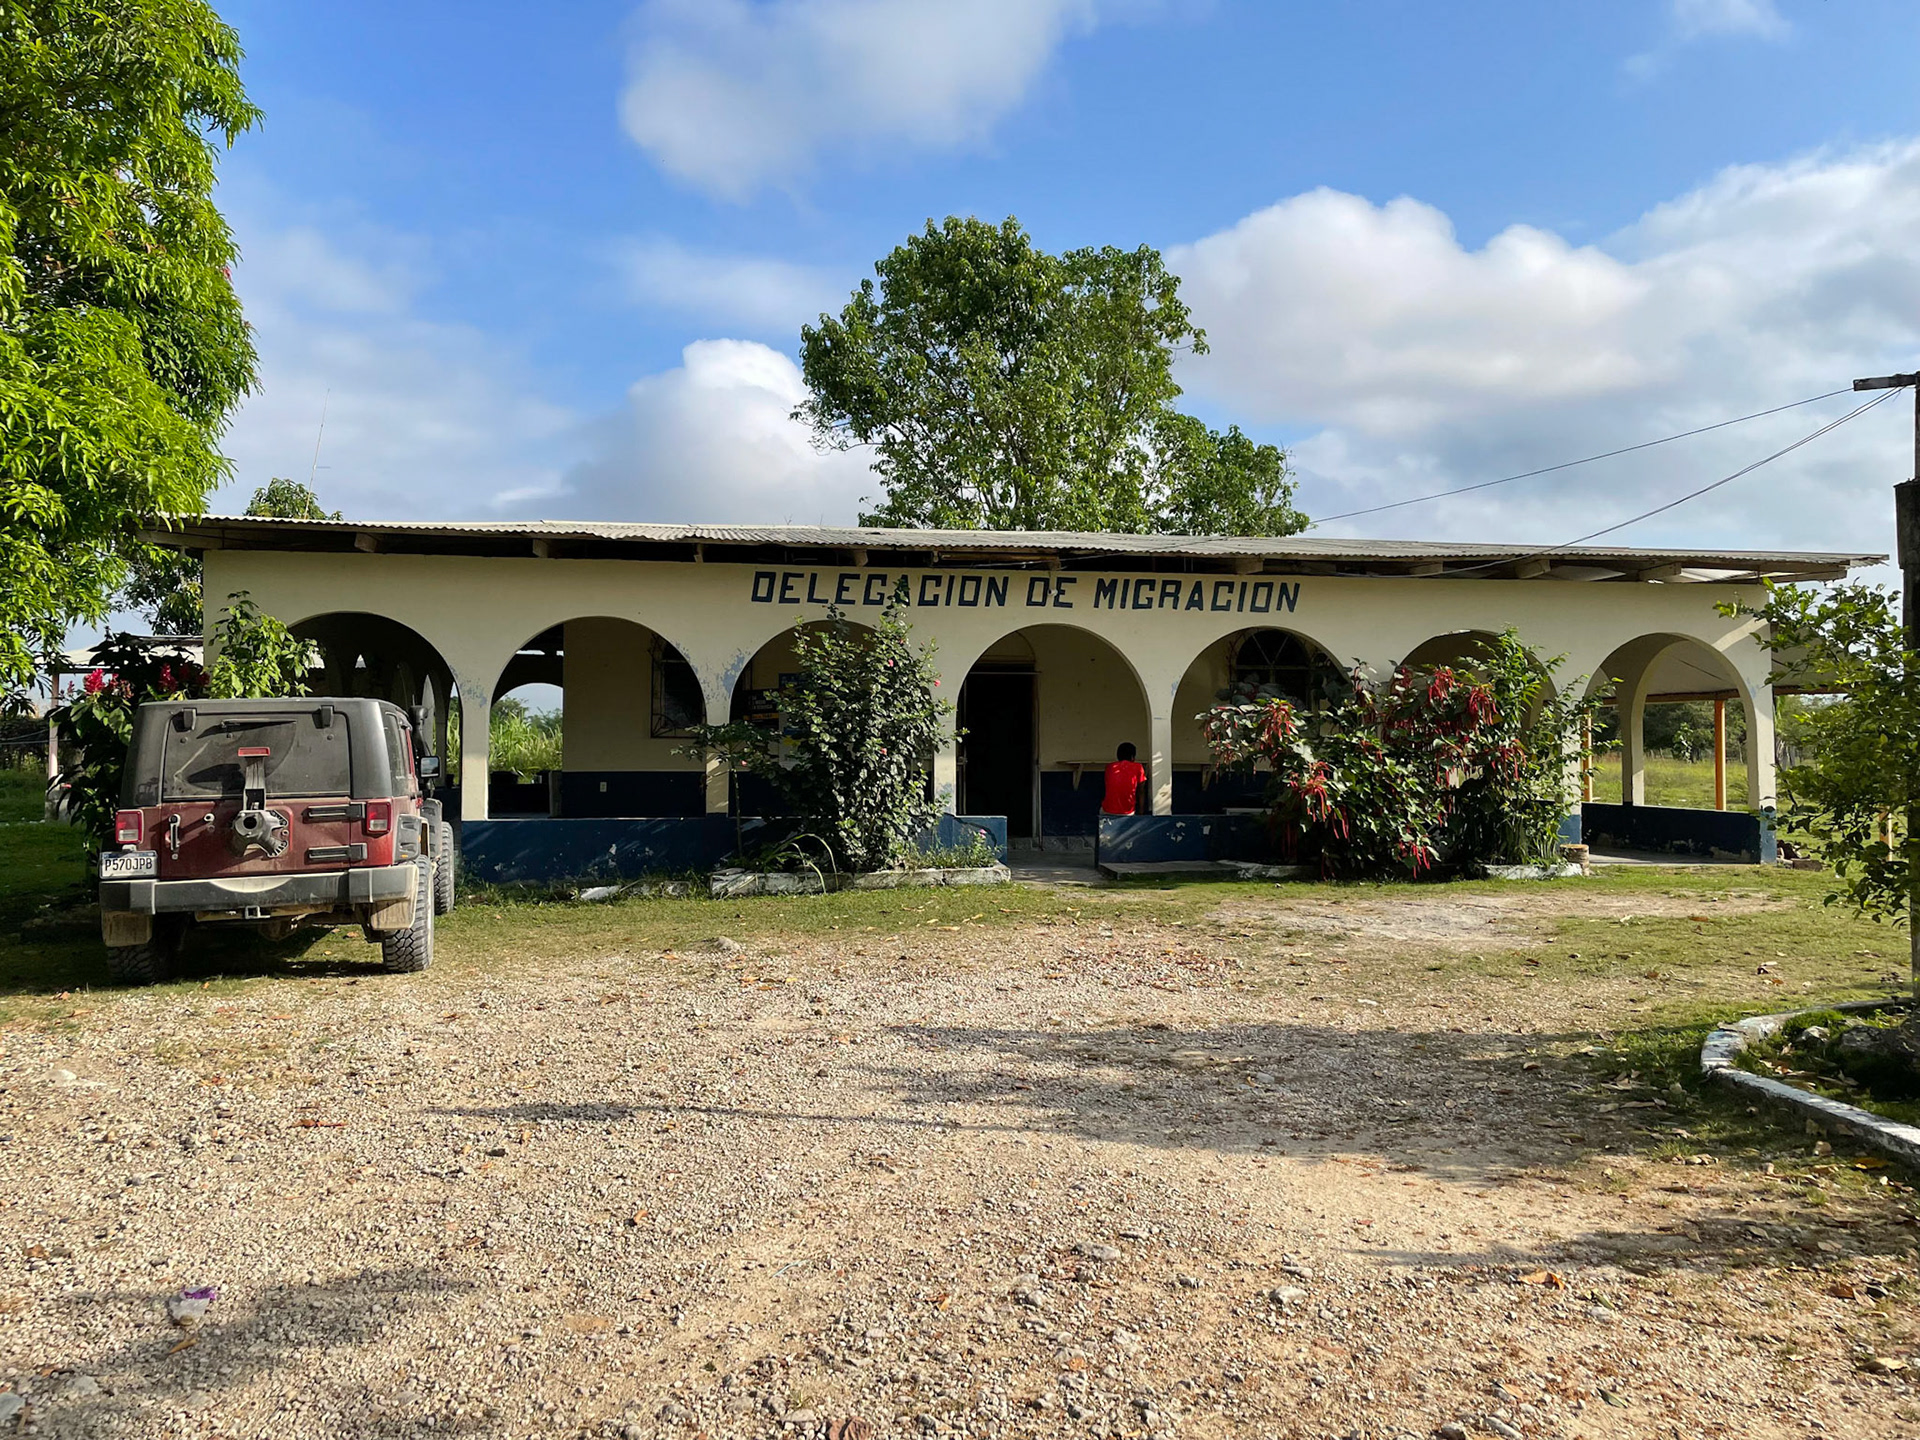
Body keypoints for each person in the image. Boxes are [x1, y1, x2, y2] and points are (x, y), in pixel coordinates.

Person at [1102, 742, 1147, 817]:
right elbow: (1141, 791)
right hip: (1128, 812)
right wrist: (1141, 812)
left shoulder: (1110, 767)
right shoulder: (1138, 767)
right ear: (1132, 757)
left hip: (1108, 810)